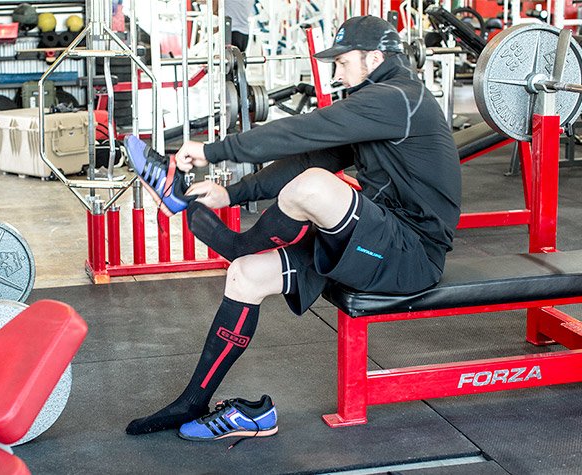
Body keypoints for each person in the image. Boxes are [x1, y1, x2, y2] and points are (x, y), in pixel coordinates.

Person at [124, 15, 462, 440]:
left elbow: (305, 131)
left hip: (411, 253)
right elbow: (311, 155)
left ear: (375, 58)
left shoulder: (397, 98)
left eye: (343, 62)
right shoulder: (376, 102)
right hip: (374, 239)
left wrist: (214, 150)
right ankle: (191, 401)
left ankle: (235, 240)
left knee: (314, 189)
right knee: (246, 275)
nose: (336, 72)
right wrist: (233, 194)